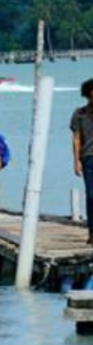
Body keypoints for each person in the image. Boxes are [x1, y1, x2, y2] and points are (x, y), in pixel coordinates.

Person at [71, 79, 93, 245]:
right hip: (87, 157)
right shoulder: (79, 113)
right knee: (91, 195)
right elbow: (76, 138)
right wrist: (76, 161)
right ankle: (92, 231)